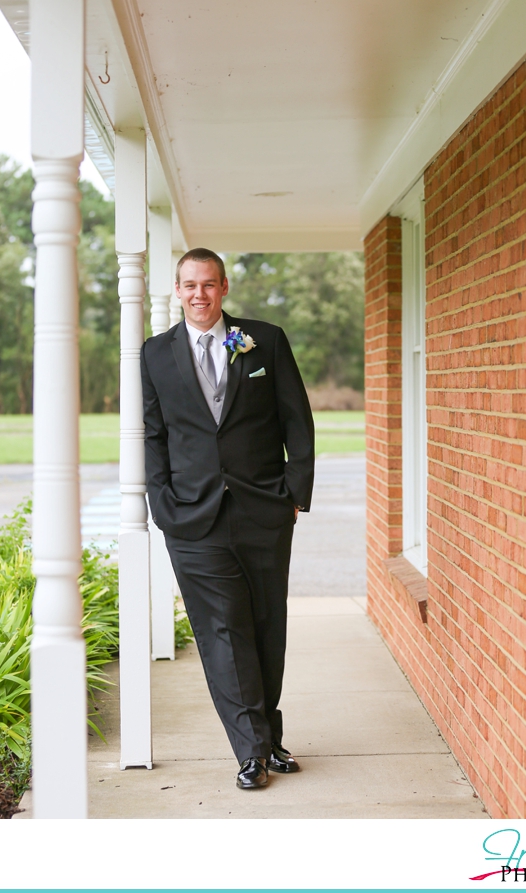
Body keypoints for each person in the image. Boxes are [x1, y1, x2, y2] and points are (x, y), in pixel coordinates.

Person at [141, 247, 314, 790]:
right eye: (190, 285)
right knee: (222, 632)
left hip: (264, 511)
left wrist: (294, 494)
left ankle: (268, 735)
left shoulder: (266, 339)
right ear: (177, 290)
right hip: (193, 519)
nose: (199, 295)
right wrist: (163, 505)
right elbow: (151, 435)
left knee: (266, 627)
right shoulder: (154, 354)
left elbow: (297, 420)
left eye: (209, 285)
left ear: (224, 289)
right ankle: (250, 751)